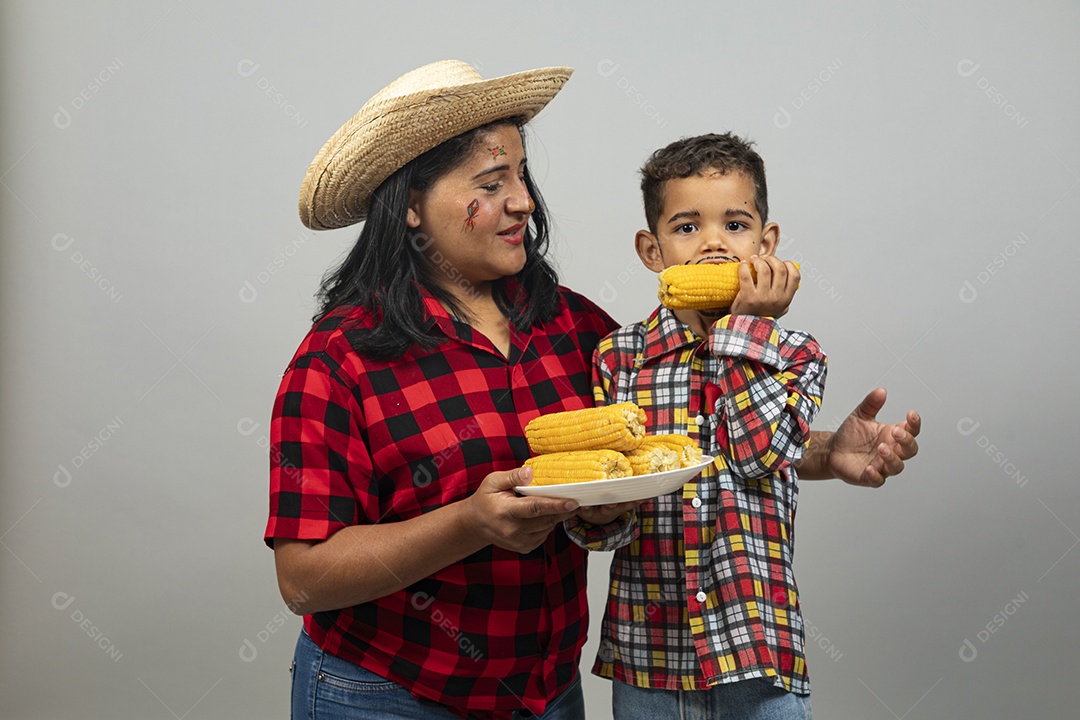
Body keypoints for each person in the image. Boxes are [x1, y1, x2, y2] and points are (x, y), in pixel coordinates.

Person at [264, 61, 919, 720]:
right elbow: (303, 578)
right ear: (409, 205)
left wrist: (826, 452)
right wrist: (468, 524)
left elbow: (688, 428)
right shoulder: (338, 359)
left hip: (545, 696)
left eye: (521, 175)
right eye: (493, 183)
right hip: (388, 695)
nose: (523, 200)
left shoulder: (575, 330)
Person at [565, 132, 919, 720]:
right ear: (651, 251)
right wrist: (598, 514)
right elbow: (607, 513)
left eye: (735, 225)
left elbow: (761, 454)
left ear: (767, 241)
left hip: (758, 646)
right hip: (649, 655)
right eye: (686, 228)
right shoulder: (617, 358)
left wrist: (748, 329)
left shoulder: (796, 354)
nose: (713, 245)